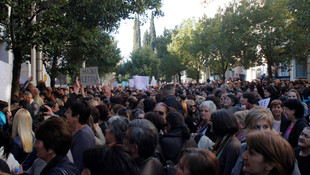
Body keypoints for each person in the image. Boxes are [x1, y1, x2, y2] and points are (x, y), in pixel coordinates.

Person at [65, 101, 95, 173]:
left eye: (68, 112)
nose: (65, 114)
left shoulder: (83, 136)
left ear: (76, 116)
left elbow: (78, 165)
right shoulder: (76, 130)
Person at [211, 109, 240, 175]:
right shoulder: (223, 140)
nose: (211, 124)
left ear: (219, 124)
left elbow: (228, 171)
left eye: (212, 121)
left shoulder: (233, 146)